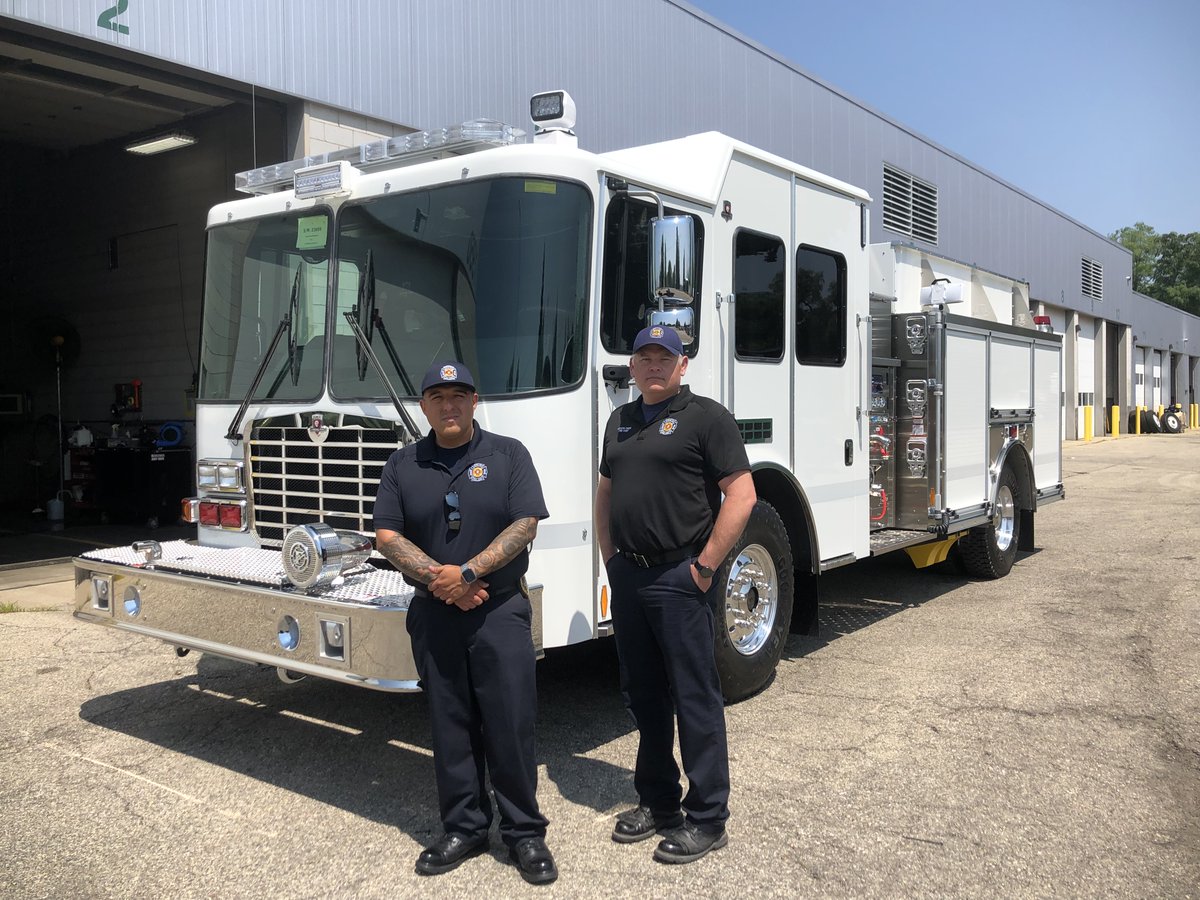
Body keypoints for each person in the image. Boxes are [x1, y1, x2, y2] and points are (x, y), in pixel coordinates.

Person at [373, 360, 557, 886]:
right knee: (450, 725)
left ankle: (524, 833)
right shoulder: (403, 464)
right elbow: (386, 536)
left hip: (498, 610)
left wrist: (471, 571)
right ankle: (465, 828)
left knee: (511, 723)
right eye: (437, 396)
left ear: (475, 402)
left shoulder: (508, 455)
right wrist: (442, 580)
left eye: (459, 395)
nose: (448, 405)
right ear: (423, 405)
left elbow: (525, 524)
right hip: (435, 613)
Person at [595, 325, 757, 864]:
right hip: (630, 578)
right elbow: (606, 492)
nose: (654, 364)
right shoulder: (619, 421)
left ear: (682, 365)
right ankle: (659, 801)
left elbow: (742, 494)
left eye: (666, 356)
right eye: (645, 355)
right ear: (633, 366)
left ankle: (708, 817)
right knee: (643, 695)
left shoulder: (707, 418)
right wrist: (611, 560)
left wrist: (706, 567)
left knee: (694, 697)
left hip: (679, 577)